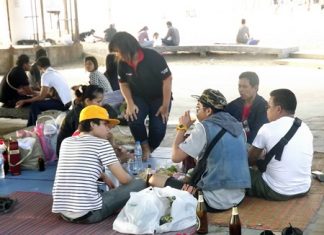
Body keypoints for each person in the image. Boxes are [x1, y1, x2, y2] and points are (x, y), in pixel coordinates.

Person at [149, 89, 251, 211]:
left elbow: (175, 157)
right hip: (238, 196)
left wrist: (182, 127)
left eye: (198, 107)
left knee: (154, 179)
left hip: (213, 201)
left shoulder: (204, 127)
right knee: (188, 175)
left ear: (208, 111)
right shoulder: (239, 128)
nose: (196, 111)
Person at [52, 105, 146, 224]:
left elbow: (80, 166)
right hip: (88, 214)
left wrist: (104, 176)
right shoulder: (101, 144)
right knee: (142, 181)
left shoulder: (66, 141)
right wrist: (134, 179)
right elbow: (124, 180)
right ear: (92, 124)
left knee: (106, 190)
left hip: (63, 212)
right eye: (105, 124)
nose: (108, 128)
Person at [109, 32, 173, 160]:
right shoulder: (122, 63)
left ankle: (150, 147)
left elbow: (167, 80)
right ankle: (144, 147)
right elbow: (123, 84)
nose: (117, 55)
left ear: (128, 48)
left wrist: (165, 105)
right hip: (138, 97)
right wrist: (130, 103)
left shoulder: (153, 57)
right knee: (134, 118)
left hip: (159, 97)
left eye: (118, 51)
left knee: (158, 129)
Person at [248, 89, 313, 201]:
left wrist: (258, 156)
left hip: (277, 190)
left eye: (268, 107)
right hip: (304, 187)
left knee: (239, 172)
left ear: (278, 109)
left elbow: (250, 160)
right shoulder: (305, 127)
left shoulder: (267, 128)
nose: (266, 111)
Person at [16, 56, 72, 126]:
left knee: (35, 105)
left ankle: (35, 127)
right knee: (37, 103)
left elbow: (42, 97)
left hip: (61, 104)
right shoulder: (56, 72)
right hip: (68, 103)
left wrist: (24, 101)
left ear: (39, 66)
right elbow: (47, 94)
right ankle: (30, 126)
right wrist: (34, 94)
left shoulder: (45, 75)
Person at [225, 71, 268, 145]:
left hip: (253, 146)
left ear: (255, 87)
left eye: (244, 86)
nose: (241, 89)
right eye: (239, 86)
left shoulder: (263, 107)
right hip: (233, 143)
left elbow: (259, 134)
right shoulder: (234, 105)